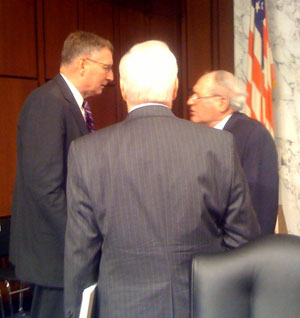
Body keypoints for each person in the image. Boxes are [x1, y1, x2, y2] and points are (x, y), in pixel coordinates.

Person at [64, 41, 260, 318]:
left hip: (123, 307)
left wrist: (74, 312)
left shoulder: (86, 152)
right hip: (203, 304)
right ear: (176, 87)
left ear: (122, 89)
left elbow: (81, 252)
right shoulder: (220, 146)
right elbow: (242, 241)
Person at [9, 31, 114, 318]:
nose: (111, 76)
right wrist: (80, 239)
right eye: (106, 66)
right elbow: (45, 186)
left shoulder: (71, 104)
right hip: (55, 251)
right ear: (83, 64)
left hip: (63, 251)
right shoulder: (48, 102)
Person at [187, 70, 279, 235]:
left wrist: (250, 253)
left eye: (197, 96)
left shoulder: (251, 134)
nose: (190, 101)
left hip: (241, 250)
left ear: (222, 103)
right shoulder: (205, 136)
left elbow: (258, 203)